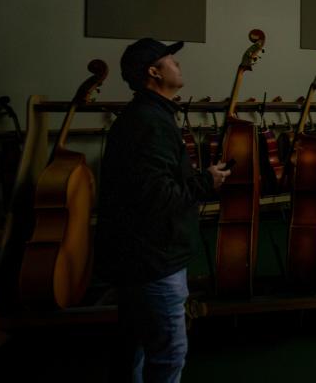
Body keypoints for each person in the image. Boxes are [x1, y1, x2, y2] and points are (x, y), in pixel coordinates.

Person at [95, 38, 231, 383]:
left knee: (136, 347)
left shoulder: (148, 115)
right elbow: (158, 196)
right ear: (154, 72)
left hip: (141, 257)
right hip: (155, 261)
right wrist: (206, 182)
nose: (178, 64)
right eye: (170, 59)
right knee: (168, 354)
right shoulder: (150, 122)